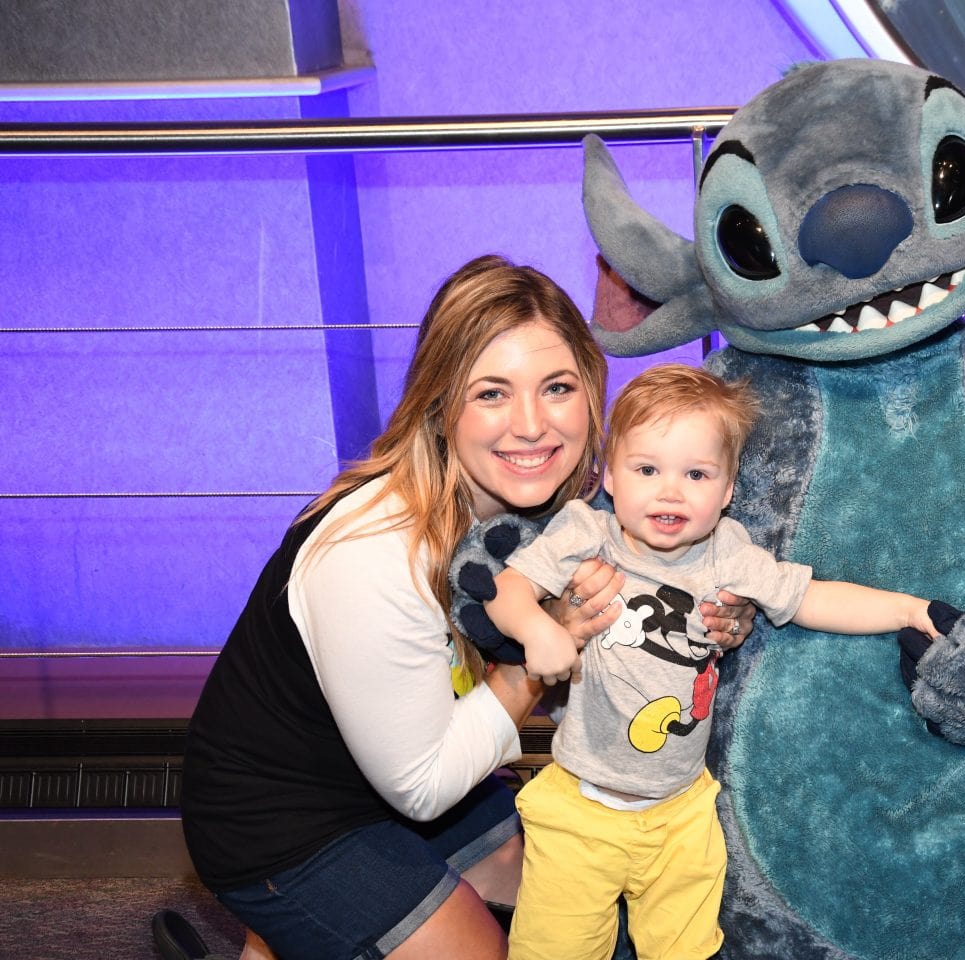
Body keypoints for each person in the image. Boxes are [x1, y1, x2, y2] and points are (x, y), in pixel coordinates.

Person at [171, 257, 756, 960]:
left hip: (406, 770)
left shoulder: (565, 518)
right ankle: (289, 919)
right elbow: (423, 786)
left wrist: (724, 614)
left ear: (592, 394)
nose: (532, 425)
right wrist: (544, 650)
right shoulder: (375, 552)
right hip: (286, 822)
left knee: (594, 902)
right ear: (440, 404)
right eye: (491, 394)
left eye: (558, 387)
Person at [484, 363, 942, 960]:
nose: (670, 490)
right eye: (647, 469)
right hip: (581, 809)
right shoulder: (587, 533)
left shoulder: (729, 552)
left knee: (688, 950)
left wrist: (909, 609)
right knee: (554, 949)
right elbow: (505, 590)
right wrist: (536, 627)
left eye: (696, 473)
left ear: (726, 491)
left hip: (681, 814)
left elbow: (811, 597)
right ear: (611, 478)